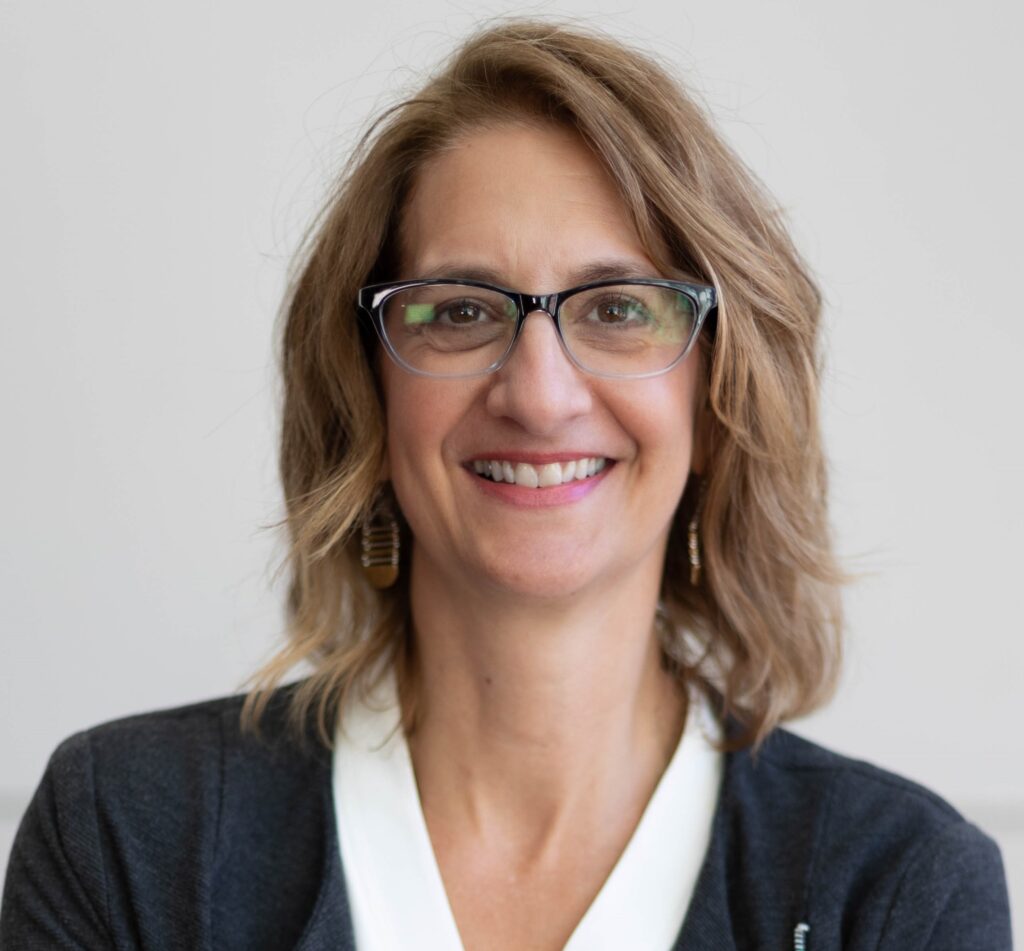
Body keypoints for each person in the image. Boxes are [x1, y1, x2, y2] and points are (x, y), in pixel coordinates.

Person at [1, 19, 1012, 951]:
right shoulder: (128, 837)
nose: (538, 394)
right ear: (368, 390)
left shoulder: (896, 892)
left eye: (618, 309)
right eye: (457, 311)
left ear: (717, 397)